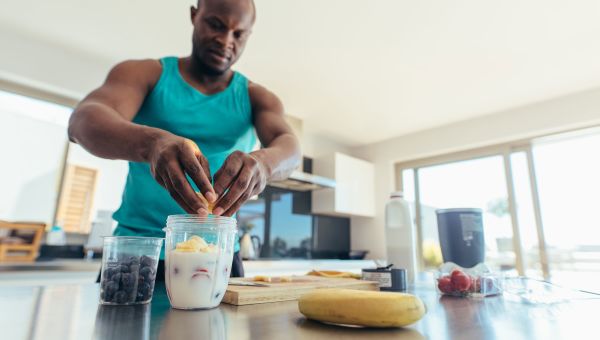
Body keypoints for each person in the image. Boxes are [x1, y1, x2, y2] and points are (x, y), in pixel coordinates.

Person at [68, 0, 301, 279]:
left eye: (238, 34)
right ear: (194, 15)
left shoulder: (256, 97)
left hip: (218, 254)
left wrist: (263, 165)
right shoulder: (145, 74)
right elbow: (82, 122)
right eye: (215, 25)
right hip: (140, 250)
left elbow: (289, 146)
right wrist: (152, 144)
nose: (226, 40)